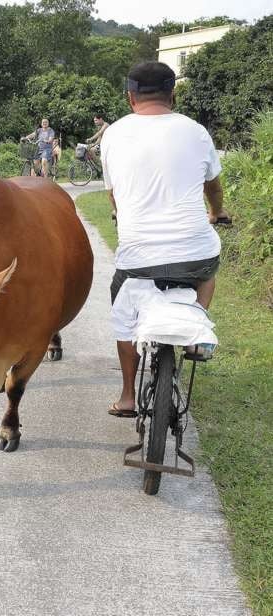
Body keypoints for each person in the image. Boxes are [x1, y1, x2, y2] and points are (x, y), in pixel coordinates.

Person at [100, 61, 230, 417]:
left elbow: (114, 196)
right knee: (208, 268)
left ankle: (128, 396)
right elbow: (213, 186)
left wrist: (122, 215)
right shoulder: (197, 132)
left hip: (138, 258)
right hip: (193, 254)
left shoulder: (112, 135)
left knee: (124, 310)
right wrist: (216, 212)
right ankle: (197, 332)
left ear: (130, 97)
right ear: (173, 95)